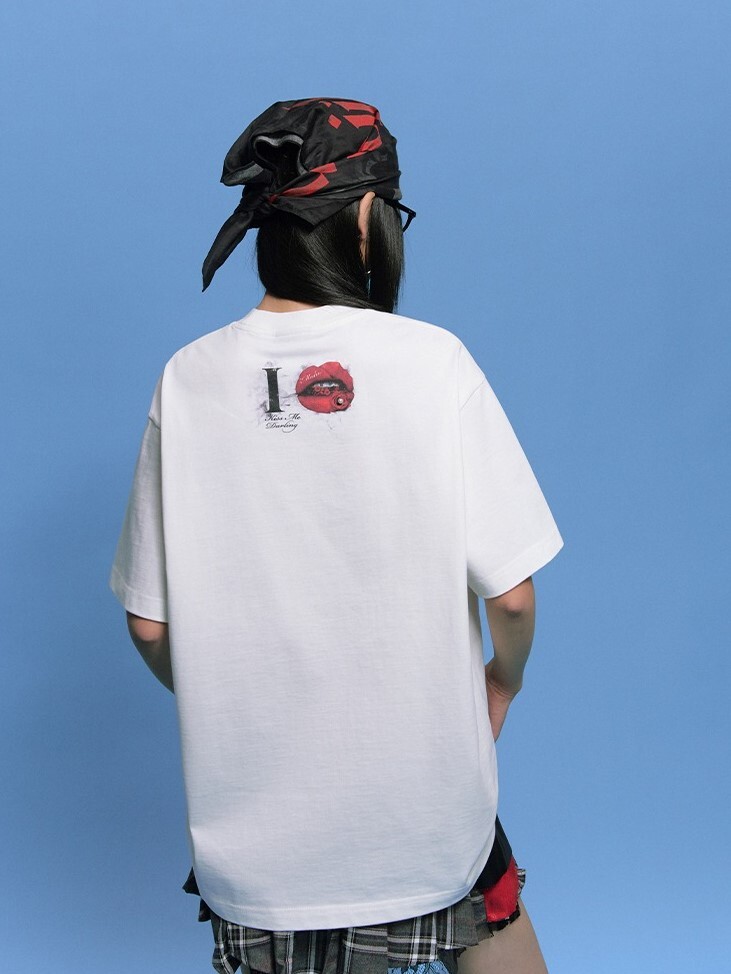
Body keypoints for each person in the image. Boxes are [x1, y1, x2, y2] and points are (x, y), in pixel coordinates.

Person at [109, 97, 563, 974]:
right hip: (426, 817)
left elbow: (149, 625)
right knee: (489, 918)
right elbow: (509, 596)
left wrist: (233, 699)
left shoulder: (187, 378)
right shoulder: (432, 361)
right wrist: (502, 681)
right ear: (365, 217)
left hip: (258, 852)